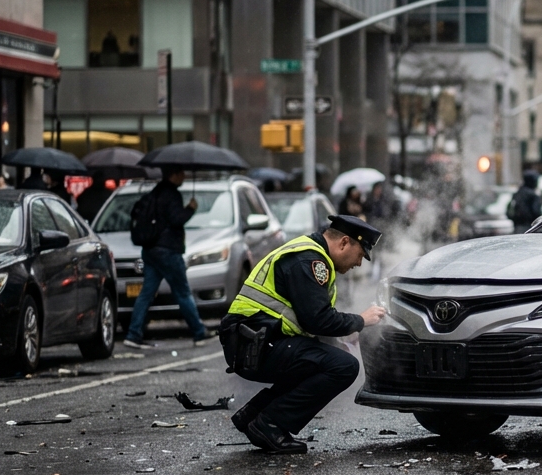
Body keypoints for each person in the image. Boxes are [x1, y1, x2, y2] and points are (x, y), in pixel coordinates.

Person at [221, 215, 387, 454]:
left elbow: (309, 320)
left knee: (329, 358)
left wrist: (338, 341)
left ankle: (255, 415)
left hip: (254, 341)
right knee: (344, 366)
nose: (359, 264)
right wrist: (361, 321)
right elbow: (318, 320)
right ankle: (271, 423)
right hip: (253, 345)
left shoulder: (308, 254)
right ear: (344, 242)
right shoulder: (310, 260)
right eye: (360, 255)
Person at [123, 167, 219, 349]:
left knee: (146, 294)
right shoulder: (172, 194)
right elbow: (176, 219)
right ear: (173, 175)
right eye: (181, 173)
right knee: (182, 292)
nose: (183, 175)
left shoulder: (156, 192)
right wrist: (190, 209)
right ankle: (199, 332)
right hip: (168, 251)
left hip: (150, 250)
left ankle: (133, 334)